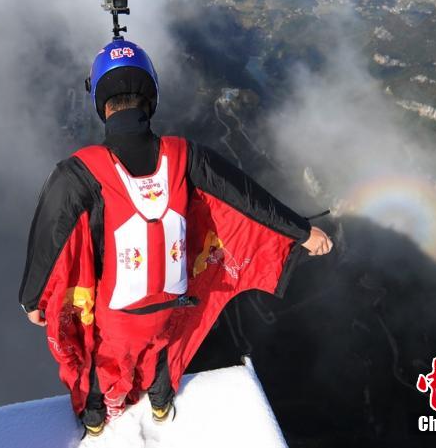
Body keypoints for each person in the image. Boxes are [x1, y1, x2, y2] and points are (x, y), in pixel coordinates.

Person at [19, 36, 332, 437]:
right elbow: (249, 199)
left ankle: (96, 417)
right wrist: (303, 232)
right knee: (166, 342)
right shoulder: (186, 155)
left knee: (104, 361)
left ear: (100, 101)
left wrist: (32, 299)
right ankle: (162, 401)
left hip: (118, 315)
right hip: (174, 302)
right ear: (150, 96)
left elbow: (50, 235)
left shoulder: (78, 172)